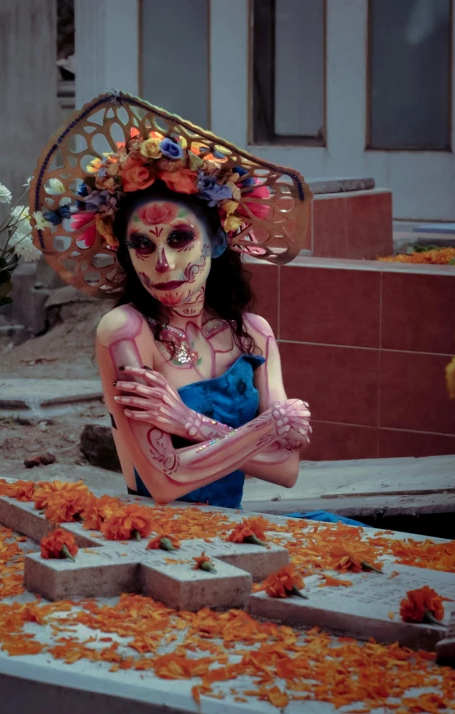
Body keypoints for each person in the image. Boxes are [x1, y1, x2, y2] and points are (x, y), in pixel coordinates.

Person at [30, 92, 312, 508]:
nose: (162, 262)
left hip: (235, 532)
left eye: (179, 238)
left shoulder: (254, 333)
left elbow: (287, 470)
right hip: (156, 537)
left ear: (216, 241)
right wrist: (267, 428)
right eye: (142, 245)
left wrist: (189, 424)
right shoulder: (125, 332)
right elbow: (165, 480)